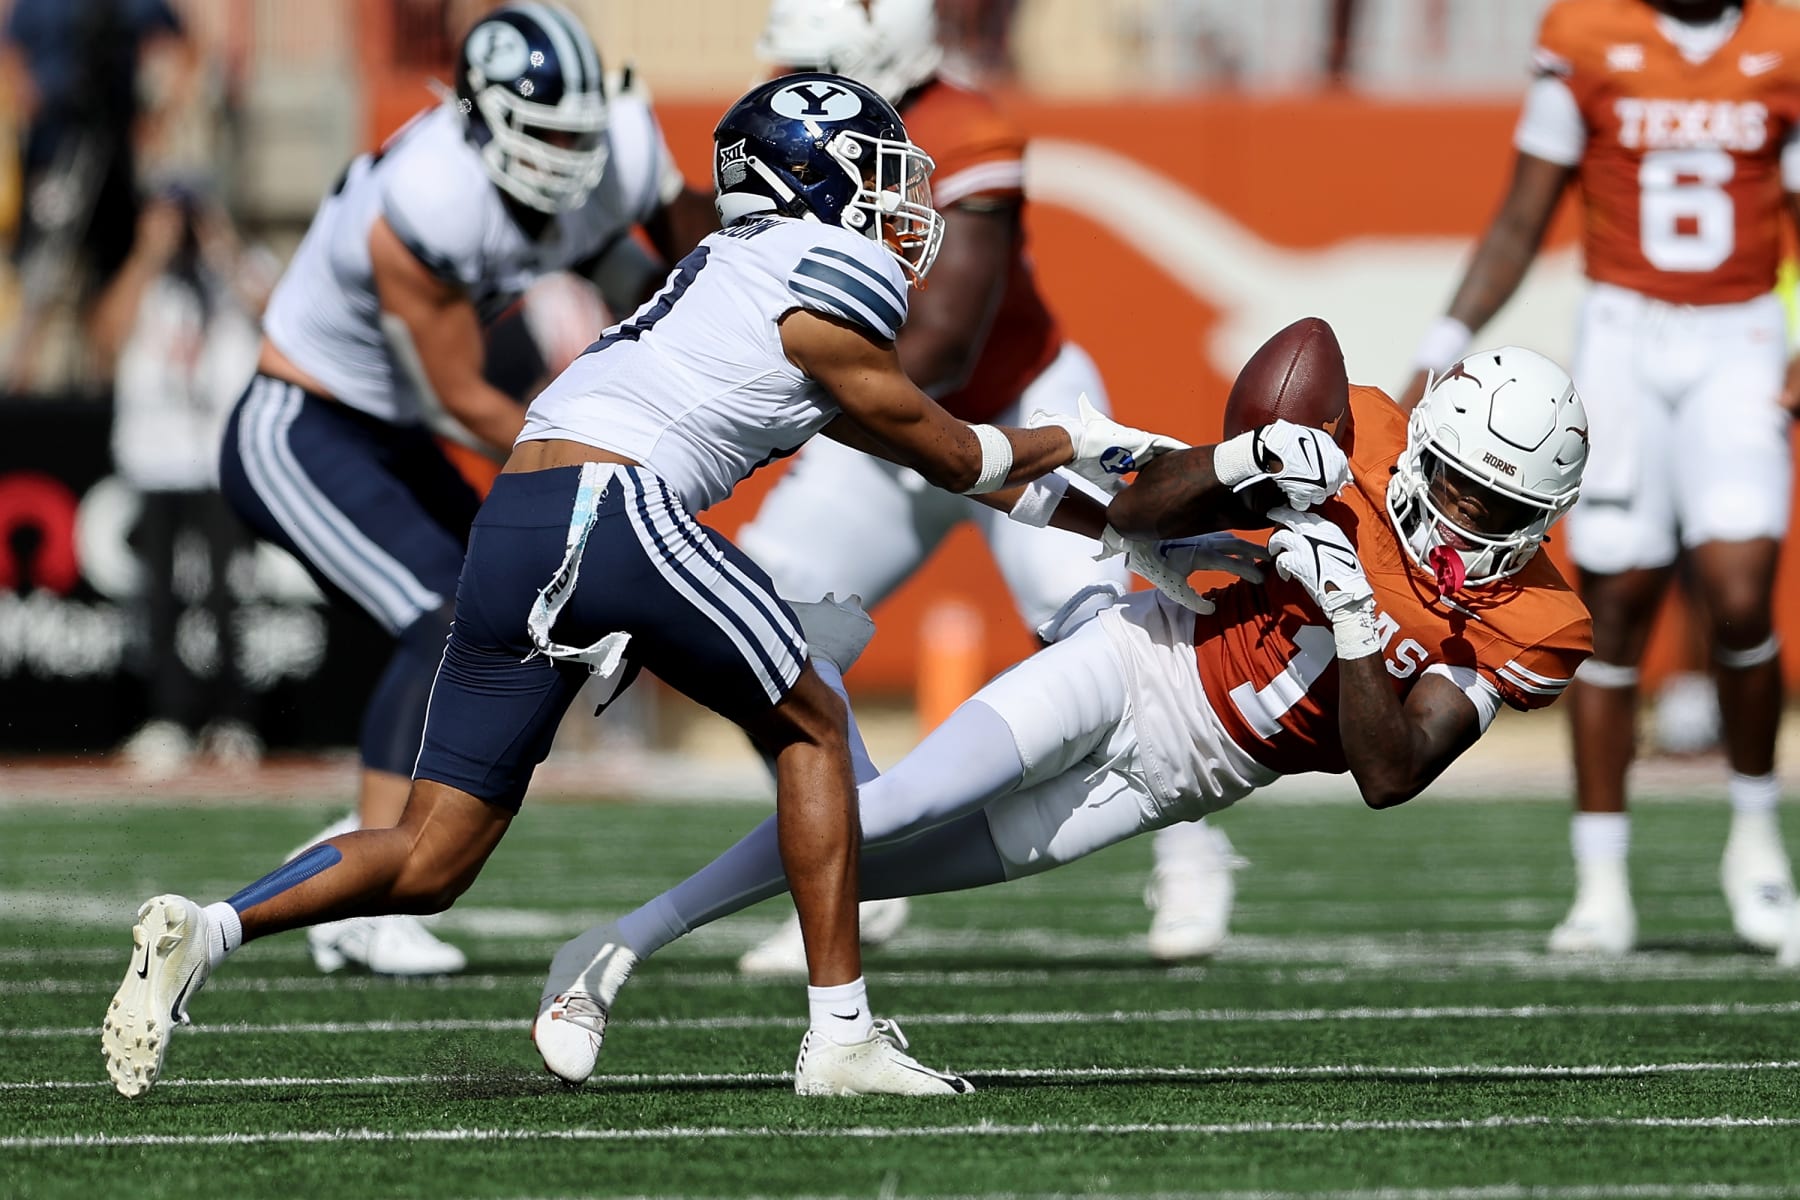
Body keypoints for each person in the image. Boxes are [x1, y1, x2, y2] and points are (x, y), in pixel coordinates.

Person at [102, 70, 1186, 1101]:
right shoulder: (825, 265)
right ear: (813, 178)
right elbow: (959, 457)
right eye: (880, 167)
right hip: (608, 506)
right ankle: (841, 1035)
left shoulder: (738, 275)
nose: (905, 196)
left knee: (430, 856)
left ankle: (211, 928)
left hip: (523, 517)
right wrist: (1077, 434)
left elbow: (925, 453)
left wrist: (1120, 530)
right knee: (813, 718)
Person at [529, 346, 1595, 1087]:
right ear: (1424, 453)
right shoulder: (1355, 426)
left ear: (1544, 517)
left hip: (1185, 783)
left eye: (1499, 511)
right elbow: (1135, 513)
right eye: (1456, 488)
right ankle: (616, 949)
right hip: (1140, 659)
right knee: (887, 813)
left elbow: (1391, 773)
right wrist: (1243, 463)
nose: (1466, 522)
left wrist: (1356, 618)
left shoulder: (1543, 618)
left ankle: (797, 679)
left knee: (879, 862)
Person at [213, 3, 718, 977]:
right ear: (483, 122)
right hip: (301, 419)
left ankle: (351, 860)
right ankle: (369, 883)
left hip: (387, 424)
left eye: (581, 133)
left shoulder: (617, 145)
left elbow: (646, 262)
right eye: (547, 136)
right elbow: (461, 398)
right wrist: (602, 460)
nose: (572, 157)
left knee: (499, 614)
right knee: (445, 613)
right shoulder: (429, 195)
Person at [733, 0, 1237, 976]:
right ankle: (853, 872)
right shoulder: (796, 132)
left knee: (1102, 625)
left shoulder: (967, 131)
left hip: (1011, 411)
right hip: (883, 417)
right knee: (759, 612)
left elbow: (950, 340)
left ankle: (1193, 850)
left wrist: (791, 401)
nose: (785, 80)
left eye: (808, 61)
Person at [1402, 0, 1800, 955]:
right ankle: (1601, 877)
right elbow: (1521, 214)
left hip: (1740, 329)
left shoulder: (1784, 40)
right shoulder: (1583, 33)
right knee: (1614, 599)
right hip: (1621, 329)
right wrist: (1445, 342)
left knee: (1742, 592)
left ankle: (1757, 845)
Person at [92, 188, 274, 777]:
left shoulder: (237, 270)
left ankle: (232, 718)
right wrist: (149, 252)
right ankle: (170, 717)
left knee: (227, 595)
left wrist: (222, 248)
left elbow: (278, 320)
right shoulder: (143, 280)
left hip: (220, 461)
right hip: (155, 460)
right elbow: (103, 339)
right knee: (160, 598)